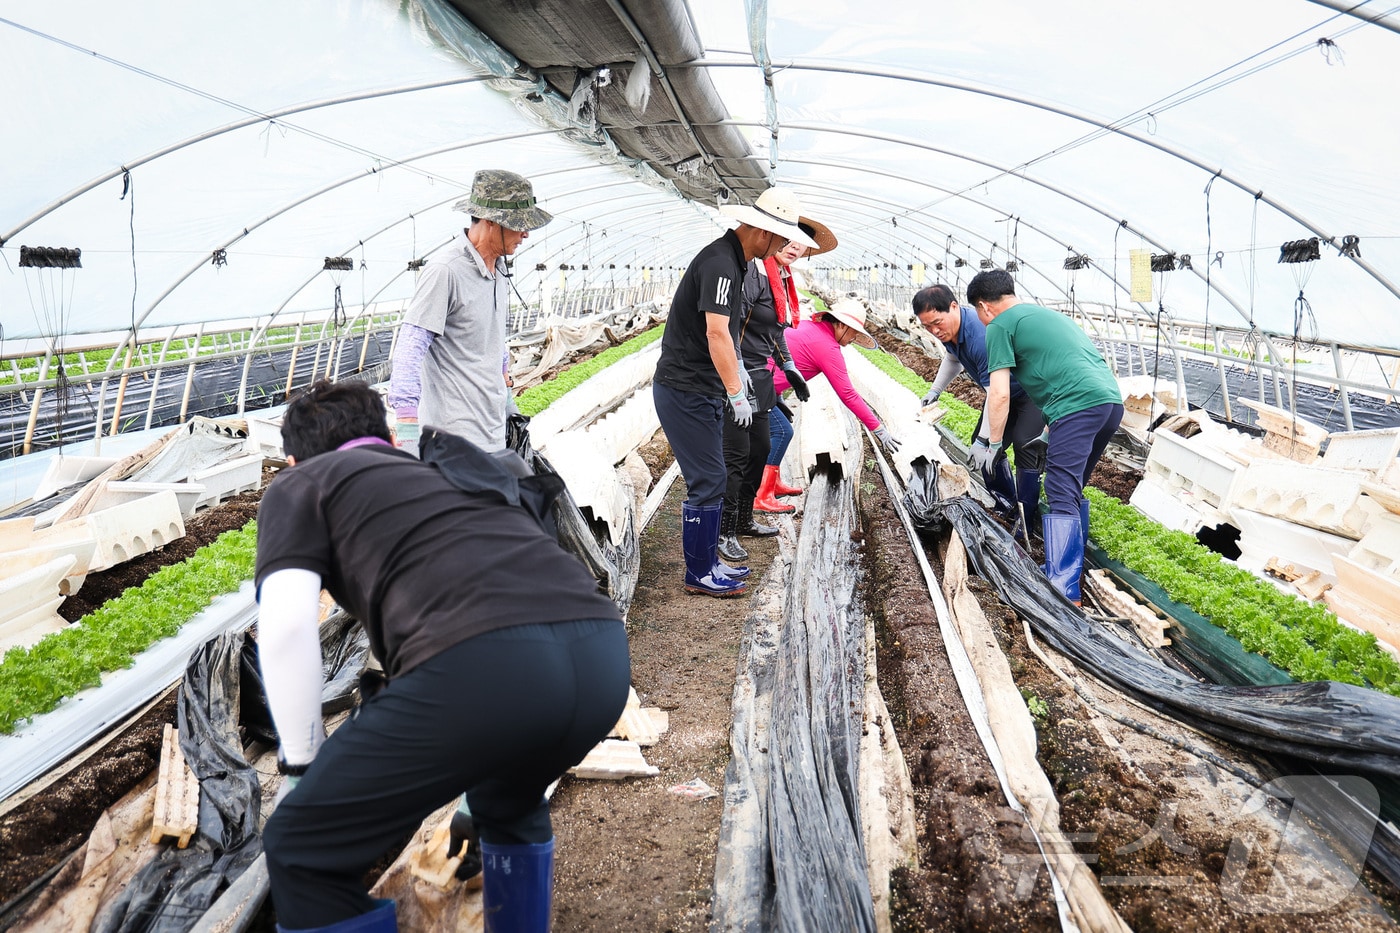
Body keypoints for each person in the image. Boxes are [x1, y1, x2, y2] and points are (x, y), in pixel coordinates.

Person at [256, 380, 629, 933]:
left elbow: (286, 627)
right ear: (386, 436)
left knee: (301, 849)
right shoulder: (451, 467)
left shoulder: (302, 484)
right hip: (601, 656)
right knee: (509, 801)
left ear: (292, 460)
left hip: (485, 666)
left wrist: (302, 766)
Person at [651, 187, 818, 598]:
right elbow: (716, 332)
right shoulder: (721, 264)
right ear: (762, 232)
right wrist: (737, 392)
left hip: (701, 388)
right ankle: (699, 572)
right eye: (780, 239)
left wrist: (733, 383)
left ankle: (709, 563)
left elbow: (730, 331)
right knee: (708, 477)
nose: (782, 247)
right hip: (684, 387)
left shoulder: (737, 262)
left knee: (715, 474)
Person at [966, 269, 1124, 604]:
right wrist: (1050, 430)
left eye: (978, 315)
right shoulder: (1048, 315)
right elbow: (1066, 368)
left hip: (1077, 406)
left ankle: (1064, 588)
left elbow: (999, 394)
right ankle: (1067, 569)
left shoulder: (1000, 325)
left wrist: (994, 445)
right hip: (1109, 402)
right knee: (1072, 484)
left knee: (1058, 487)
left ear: (984, 307)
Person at [388, 169, 551, 460]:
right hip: (453, 445)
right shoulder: (445, 271)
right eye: (518, 225)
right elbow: (408, 352)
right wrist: (409, 439)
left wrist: (509, 405)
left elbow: (492, 336)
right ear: (491, 221)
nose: (526, 234)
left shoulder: (499, 269)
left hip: (492, 433)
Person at [717, 216, 838, 561]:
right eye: (792, 239)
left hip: (760, 375)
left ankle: (743, 519)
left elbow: (776, 331)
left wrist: (788, 365)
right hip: (740, 375)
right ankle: (724, 531)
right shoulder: (754, 275)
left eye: (804, 245)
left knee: (762, 447)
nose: (796, 248)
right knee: (737, 454)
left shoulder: (782, 281)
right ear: (775, 236)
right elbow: (730, 327)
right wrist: (736, 381)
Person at [913, 283, 1047, 541]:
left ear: (954, 307)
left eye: (937, 323)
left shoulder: (979, 335)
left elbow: (997, 395)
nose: (934, 331)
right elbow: (953, 359)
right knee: (984, 449)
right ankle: (1006, 503)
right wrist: (936, 390)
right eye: (927, 327)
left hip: (1029, 394)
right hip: (1002, 394)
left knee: (1024, 446)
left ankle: (1027, 521)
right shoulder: (952, 332)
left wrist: (987, 441)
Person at [769, 298, 902, 458]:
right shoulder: (828, 347)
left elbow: (776, 361)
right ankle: (765, 482)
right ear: (841, 325)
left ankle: (767, 479)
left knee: (763, 437)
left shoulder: (808, 327)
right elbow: (848, 394)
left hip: (755, 379)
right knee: (782, 433)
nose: (854, 339)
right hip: (757, 389)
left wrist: (777, 396)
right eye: (854, 333)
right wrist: (879, 430)